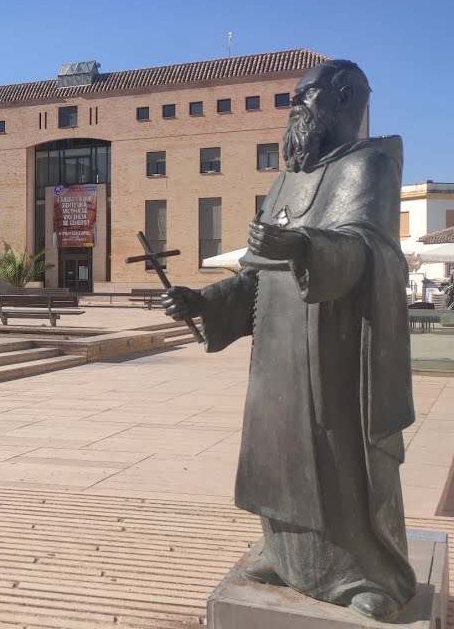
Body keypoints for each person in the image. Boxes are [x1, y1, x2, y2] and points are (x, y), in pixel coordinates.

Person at [163, 60, 415, 619]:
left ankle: (360, 575)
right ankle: (284, 555)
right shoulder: (286, 178)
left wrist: (305, 247)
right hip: (275, 352)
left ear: (345, 98)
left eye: (306, 98)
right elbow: (255, 273)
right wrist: (204, 301)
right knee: (276, 454)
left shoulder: (369, 165)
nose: (295, 108)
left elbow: (368, 252)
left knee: (335, 458)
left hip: (334, 352)